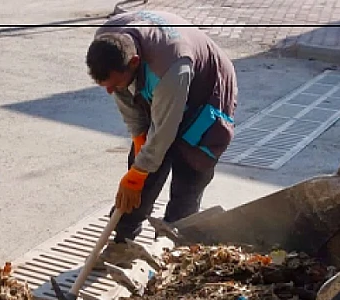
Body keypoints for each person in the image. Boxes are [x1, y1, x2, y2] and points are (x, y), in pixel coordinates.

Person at [86, 10, 238, 257]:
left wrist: (141, 167)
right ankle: (123, 244)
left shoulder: (170, 68)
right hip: (159, 82)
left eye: (114, 83)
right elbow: (126, 100)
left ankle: (170, 252)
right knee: (141, 169)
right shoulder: (107, 41)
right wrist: (139, 146)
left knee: (188, 176)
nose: (109, 91)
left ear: (134, 62)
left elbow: (164, 132)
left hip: (205, 92)